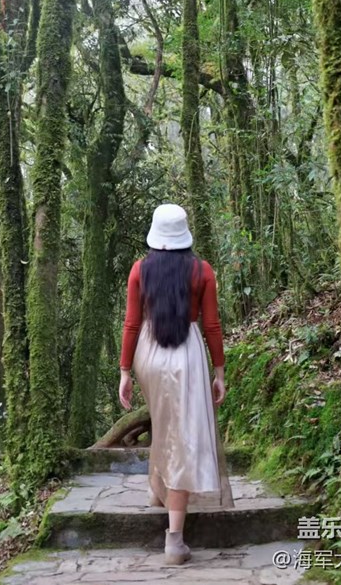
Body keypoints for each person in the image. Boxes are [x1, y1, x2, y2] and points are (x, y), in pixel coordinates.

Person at [118, 202, 234, 565]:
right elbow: (212, 326)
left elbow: (132, 325)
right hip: (186, 354)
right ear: (184, 235)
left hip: (148, 355)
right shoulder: (203, 271)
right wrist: (219, 371)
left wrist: (124, 371)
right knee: (180, 435)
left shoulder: (140, 270)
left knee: (166, 425)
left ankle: (158, 491)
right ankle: (174, 538)